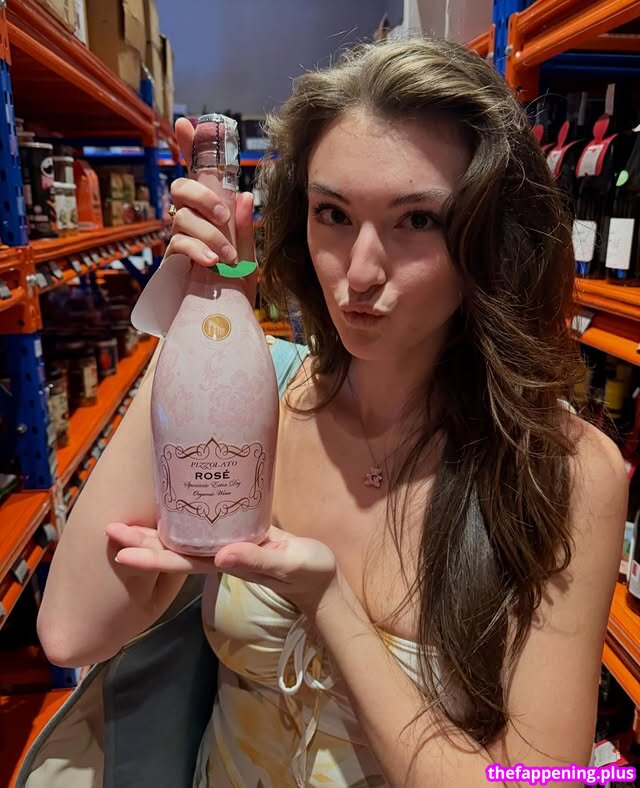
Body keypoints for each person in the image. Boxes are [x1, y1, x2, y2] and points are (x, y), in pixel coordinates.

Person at [37, 37, 627, 787]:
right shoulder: (261, 397)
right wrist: (203, 317)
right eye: (334, 213)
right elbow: (70, 631)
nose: (360, 271)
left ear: (489, 234)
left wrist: (328, 603)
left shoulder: (559, 470)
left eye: (418, 220)